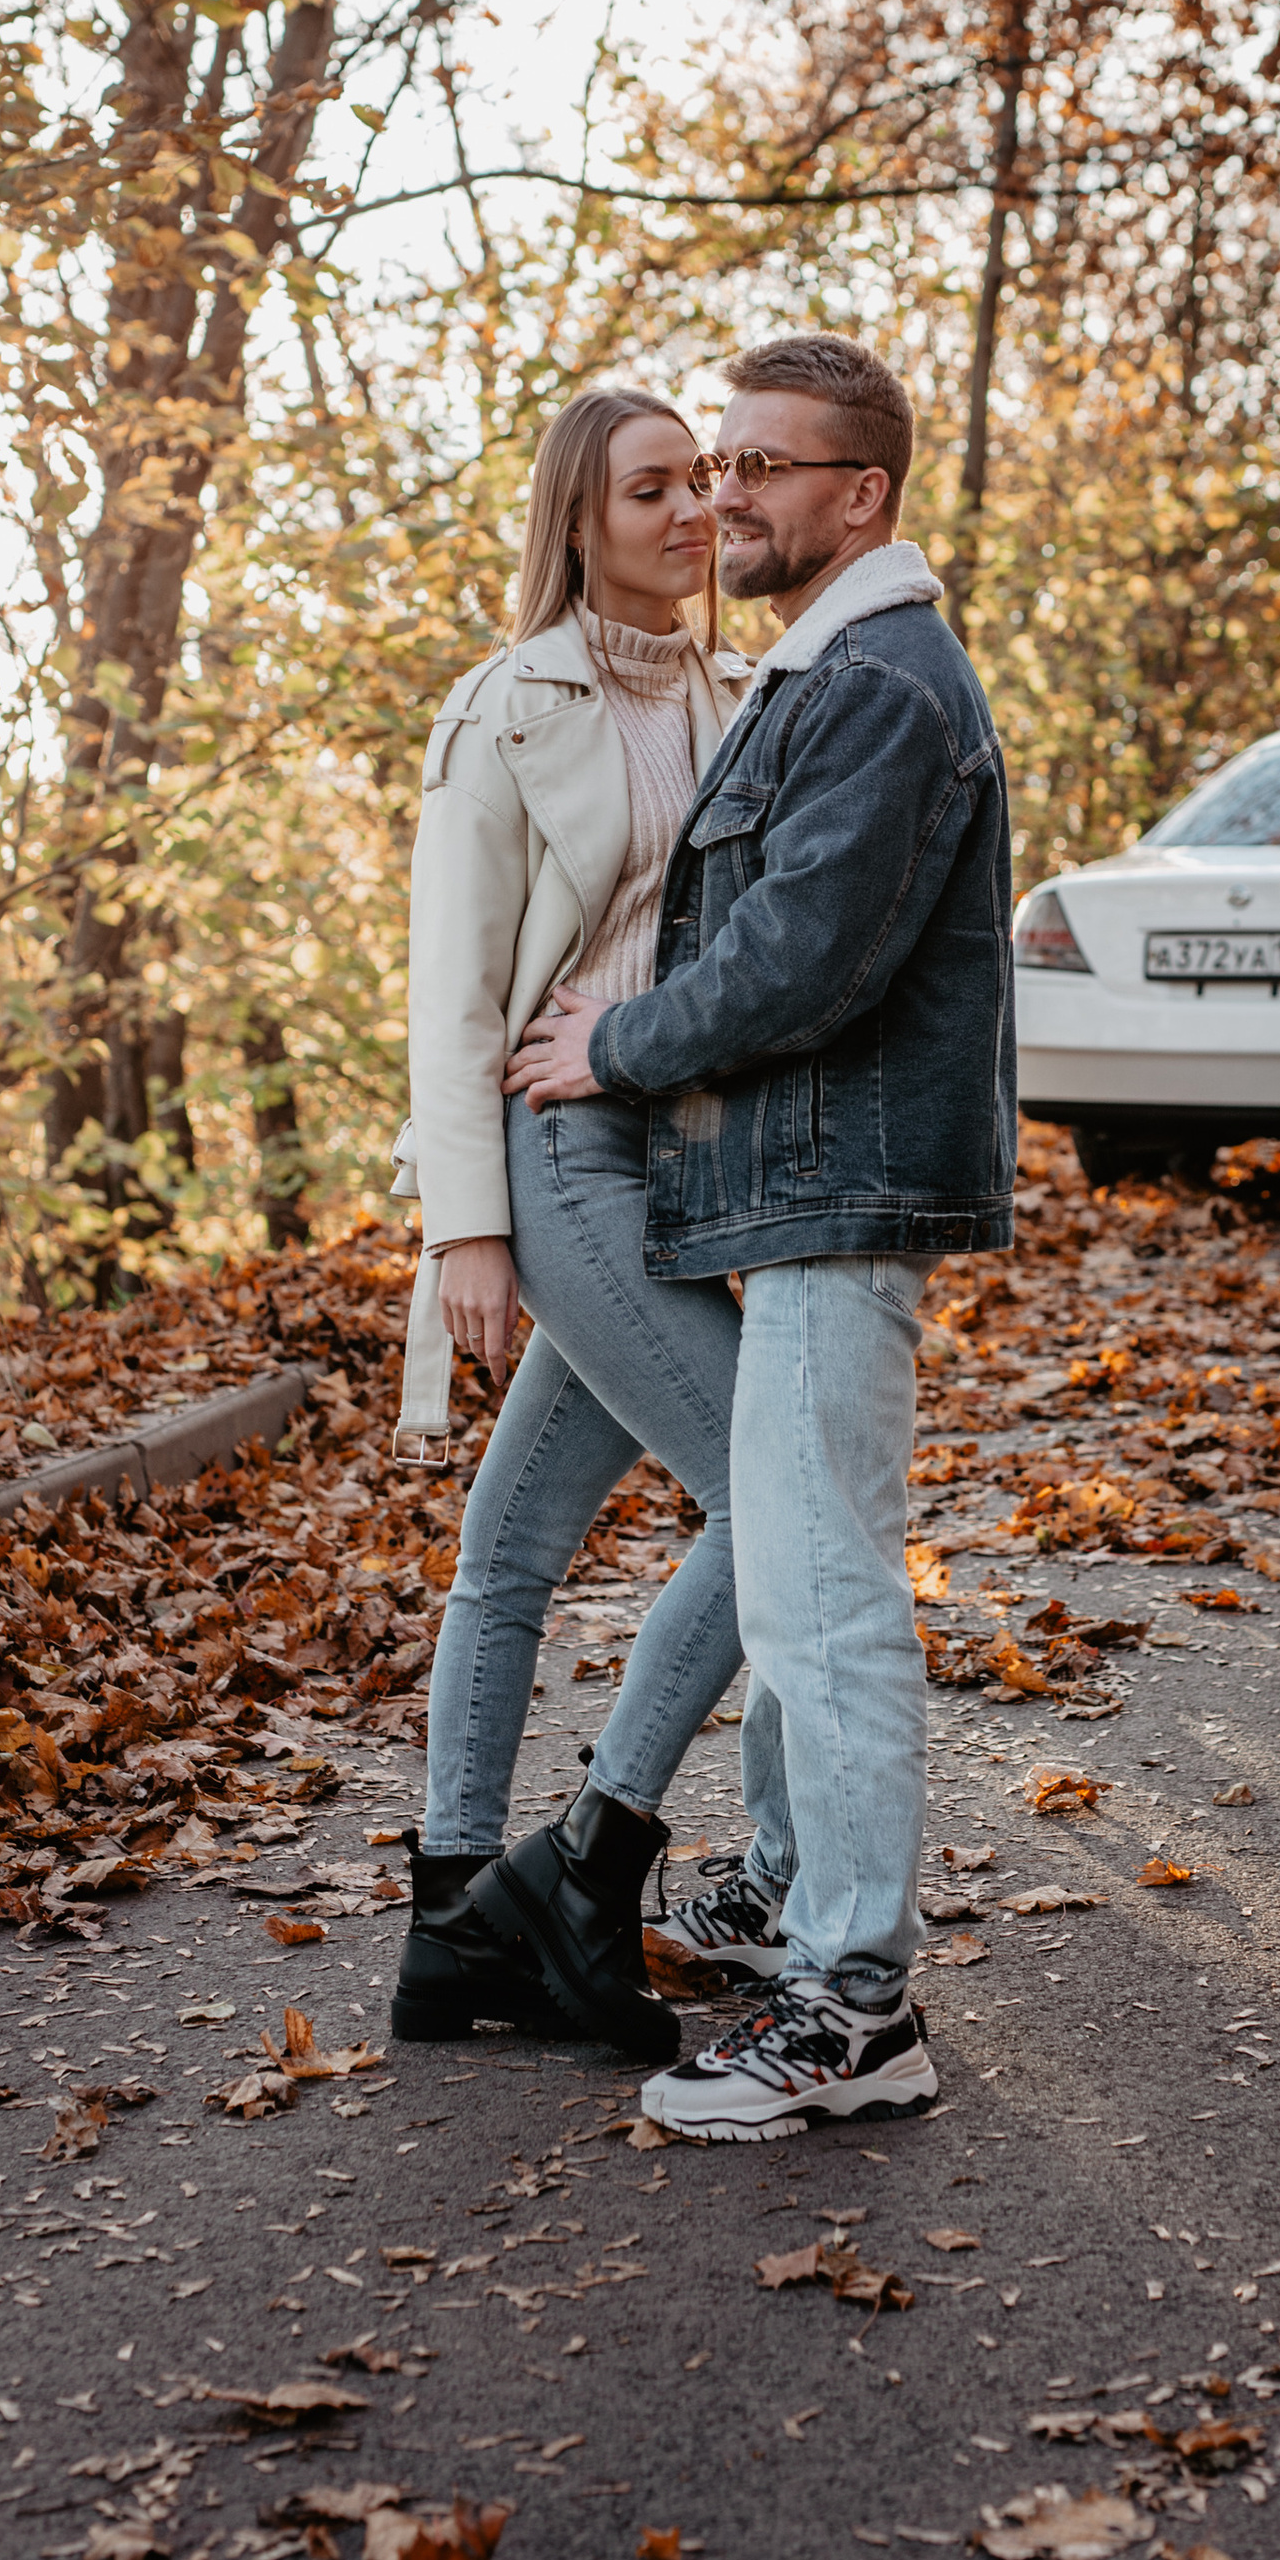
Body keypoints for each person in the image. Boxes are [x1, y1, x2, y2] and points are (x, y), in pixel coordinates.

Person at [503, 331, 1015, 2140]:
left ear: (859, 493)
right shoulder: (834, 668)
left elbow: (802, 957)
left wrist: (612, 1043)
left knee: (824, 1596)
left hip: (840, 1179)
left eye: (762, 467)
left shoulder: (878, 683)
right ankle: (793, 1892)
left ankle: (856, 2003)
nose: (725, 497)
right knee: (804, 1563)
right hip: (809, 1180)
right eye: (710, 465)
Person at [390, 383, 764, 2063]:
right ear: (579, 521)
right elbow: (450, 994)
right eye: (650, 490)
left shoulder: (744, 695)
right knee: (784, 1489)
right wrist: (470, 1230)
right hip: (561, 1153)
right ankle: (591, 1861)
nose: (690, 510)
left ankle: (455, 1920)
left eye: (703, 480)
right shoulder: (505, 710)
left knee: (517, 1536)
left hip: (679, 1156)